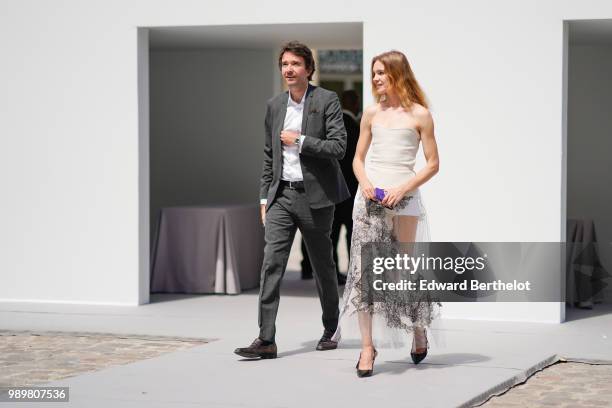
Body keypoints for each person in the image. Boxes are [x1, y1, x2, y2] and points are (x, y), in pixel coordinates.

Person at [234, 41, 350, 359]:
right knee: (271, 264)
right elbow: (270, 156)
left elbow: (339, 147)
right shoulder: (274, 106)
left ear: (308, 69)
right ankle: (266, 339)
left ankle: (331, 327)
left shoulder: (326, 100)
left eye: (295, 63)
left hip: (316, 198)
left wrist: (300, 140)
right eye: (284, 64)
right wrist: (263, 198)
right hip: (281, 196)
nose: (289, 69)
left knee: (323, 266)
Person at [332, 50, 441, 377]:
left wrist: (403, 188)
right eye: (374, 73)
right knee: (365, 276)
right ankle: (368, 348)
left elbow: (434, 164)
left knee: (402, 271)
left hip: (404, 201)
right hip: (369, 201)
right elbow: (357, 159)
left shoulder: (421, 115)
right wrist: (364, 184)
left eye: (381, 72)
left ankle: (418, 328)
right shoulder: (370, 114)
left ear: (398, 73)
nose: (376, 78)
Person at [300, 90, 361, 285]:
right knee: (351, 234)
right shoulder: (355, 126)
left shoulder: (329, 124)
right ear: (354, 103)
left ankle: (312, 269)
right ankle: (352, 273)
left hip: (330, 188)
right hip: (350, 190)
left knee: (329, 233)